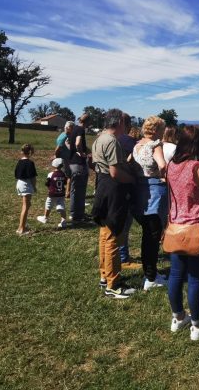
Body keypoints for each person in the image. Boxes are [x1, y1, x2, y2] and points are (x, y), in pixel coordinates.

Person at [166, 126, 199, 340]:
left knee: (176, 274)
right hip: (198, 228)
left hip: (175, 226)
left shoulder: (171, 165)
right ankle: (198, 325)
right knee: (195, 277)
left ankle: (178, 317)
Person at [91, 109, 136, 299]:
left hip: (101, 185)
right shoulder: (112, 141)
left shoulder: (99, 138)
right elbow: (115, 173)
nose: (127, 127)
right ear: (118, 123)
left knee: (104, 234)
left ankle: (104, 275)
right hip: (112, 189)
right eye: (125, 124)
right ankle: (113, 284)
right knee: (112, 237)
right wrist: (132, 179)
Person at [131, 115, 168, 291]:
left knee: (147, 235)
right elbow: (162, 165)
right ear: (157, 130)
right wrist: (165, 175)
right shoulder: (155, 145)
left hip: (140, 190)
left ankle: (150, 273)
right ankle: (151, 278)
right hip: (154, 190)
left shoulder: (137, 145)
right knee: (153, 236)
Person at [116, 112, 140, 269]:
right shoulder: (129, 142)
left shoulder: (110, 140)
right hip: (125, 186)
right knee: (124, 223)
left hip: (110, 187)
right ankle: (123, 257)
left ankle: (120, 254)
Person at [67, 113, 91, 223]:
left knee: (74, 190)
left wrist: (86, 150)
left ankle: (75, 213)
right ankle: (78, 216)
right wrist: (82, 153)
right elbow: (77, 143)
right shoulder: (81, 130)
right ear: (88, 122)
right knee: (80, 191)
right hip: (78, 164)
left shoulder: (75, 128)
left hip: (71, 163)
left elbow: (70, 143)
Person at [36, 158, 68, 229]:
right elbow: (65, 182)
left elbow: (47, 183)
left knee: (48, 205)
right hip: (61, 193)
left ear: (54, 165)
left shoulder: (51, 174)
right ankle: (64, 221)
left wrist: (49, 188)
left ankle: (45, 217)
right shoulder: (63, 174)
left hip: (52, 194)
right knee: (61, 205)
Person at [14, 143, 37, 236]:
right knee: (25, 207)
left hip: (19, 183)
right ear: (30, 152)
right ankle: (22, 229)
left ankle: (21, 226)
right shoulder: (30, 163)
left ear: (22, 151)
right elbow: (33, 178)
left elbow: (16, 174)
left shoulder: (19, 161)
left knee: (26, 205)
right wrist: (34, 187)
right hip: (26, 185)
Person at [56, 121, 74, 198]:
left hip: (64, 157)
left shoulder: (63, 134)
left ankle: (60, 190)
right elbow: (58, 148)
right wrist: (56, 156)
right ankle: (67, 192)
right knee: (69, 175)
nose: (73, 129)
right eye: (72, 127)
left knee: (64, 175)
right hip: (66, 158)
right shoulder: (65, 136)